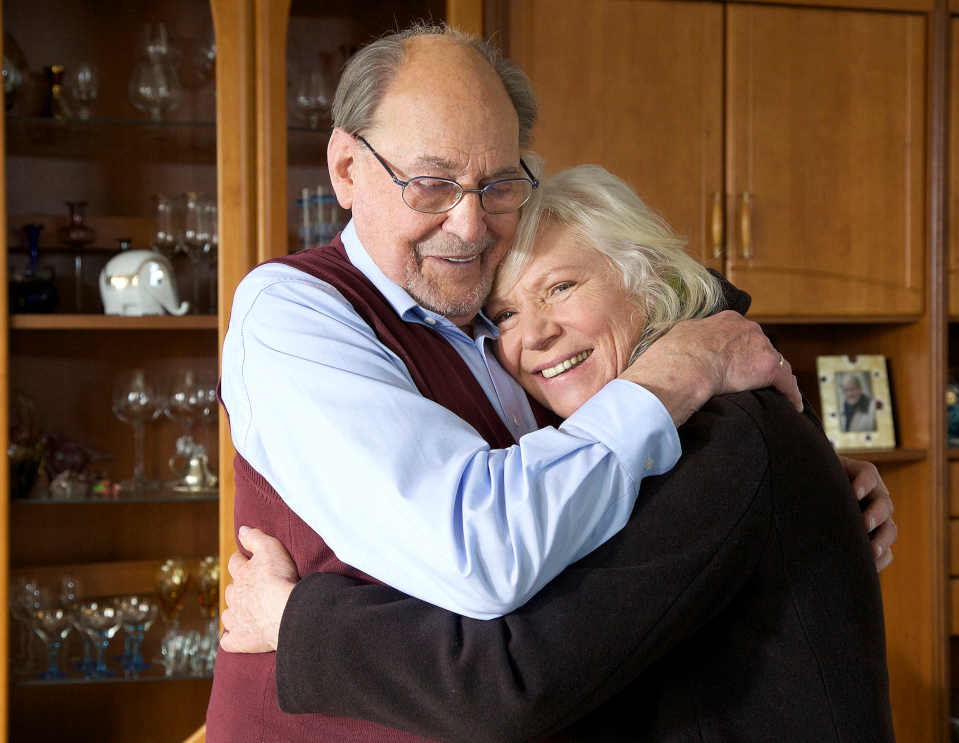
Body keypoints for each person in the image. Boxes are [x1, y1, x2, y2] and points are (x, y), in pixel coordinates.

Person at [210, 23, 895, 741]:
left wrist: (796, 472)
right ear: (347, 169)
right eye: (432, 183)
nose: (470, 224)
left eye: (498, 185)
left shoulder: (678, 416)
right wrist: (693, 373)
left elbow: (521, 667)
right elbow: (483, 553)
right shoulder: (294, 311)